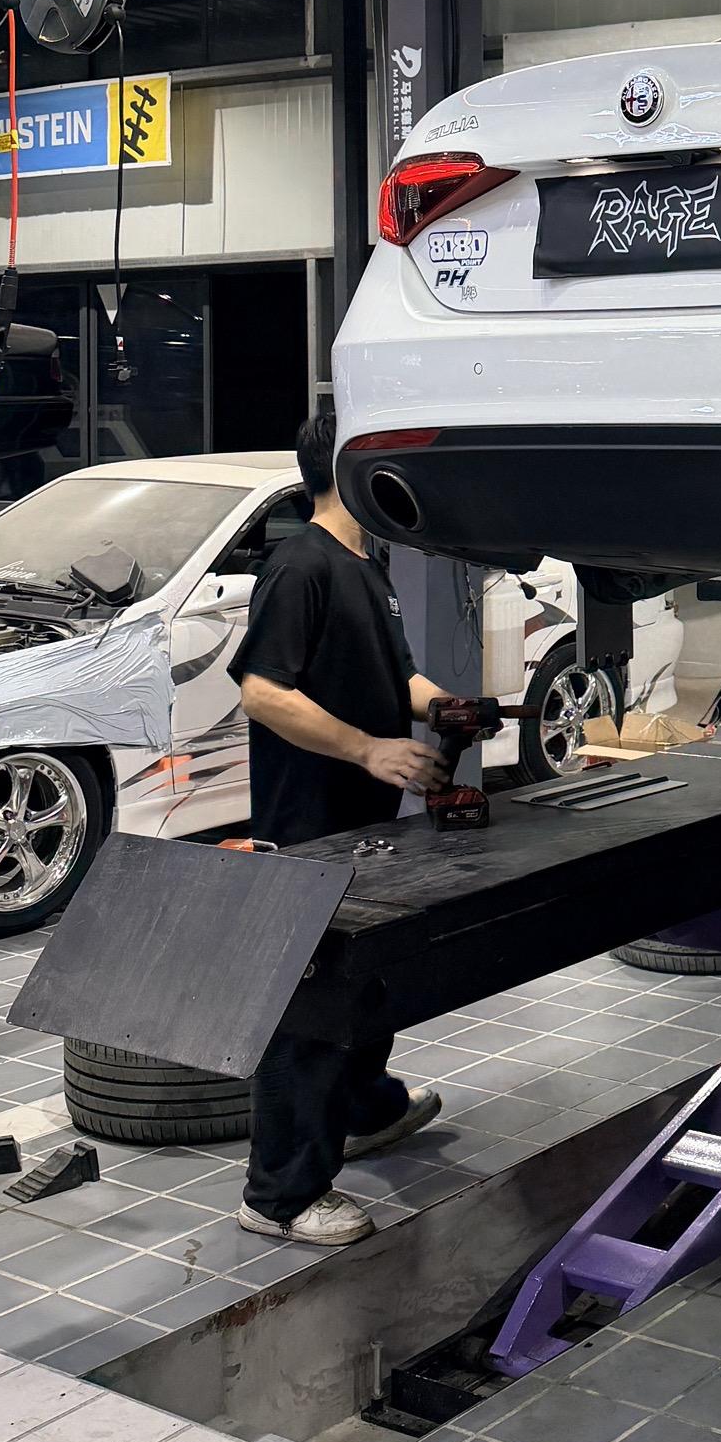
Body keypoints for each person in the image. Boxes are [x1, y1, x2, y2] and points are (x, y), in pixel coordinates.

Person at [230, 406, 449, 1245]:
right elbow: (263, 692)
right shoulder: (301, 566)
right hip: (308, 831)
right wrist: (368, 749)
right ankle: (278, 1196)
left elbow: (398, 678)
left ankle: (365, 1109)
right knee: (311, 1009)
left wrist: (445, 706)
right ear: (352, 468)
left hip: (366, 829)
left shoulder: (369, 565)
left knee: (367, 986)